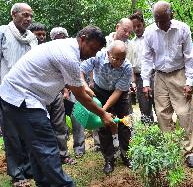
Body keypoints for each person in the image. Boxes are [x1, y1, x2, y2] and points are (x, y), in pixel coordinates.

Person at [0, 25, 116, 186]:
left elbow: (76, 80)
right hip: (22, 98)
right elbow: (80, 95)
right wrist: (103, 114)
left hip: (17, 96)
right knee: (46, 147)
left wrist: (84, 87)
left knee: (37, 148)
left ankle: (44, 183)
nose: (92, 54)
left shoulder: (67, 46)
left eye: (97, 52)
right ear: (82, 38)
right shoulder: (68, 55)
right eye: (92, 48)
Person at [141, 0, 193, 168]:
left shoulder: (183, 29)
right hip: (160, 76)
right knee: (162, 114)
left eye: (163, 20)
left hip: (179, 73)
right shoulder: (150, 32)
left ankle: (191, 152)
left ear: (171, 16)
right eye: (156, 20)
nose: (160, 24)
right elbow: (146, 58)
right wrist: (146, 82)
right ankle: (170, 150)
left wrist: (189, 82)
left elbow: (189, 57)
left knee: (184, 113)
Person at [80, 40, 132, 174]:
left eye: (122, 59)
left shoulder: (127, 67)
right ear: (108, 54)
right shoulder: (97, 56)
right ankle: (109, 159)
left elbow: (118, 92)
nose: (118, 62)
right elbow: (80, 70)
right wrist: (85, 87)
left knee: (124, 124)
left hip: (119, 94)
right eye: (115, 58)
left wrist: (102, 111)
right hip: (100, 90)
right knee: (104, 126)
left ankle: (127, 155)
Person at [0, 2, 37, 186]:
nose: (28, 19)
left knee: (29, 132)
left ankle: (29, 169)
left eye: (30, 16)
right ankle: (17, 174)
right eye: (24, 15)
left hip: (28, 92)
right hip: (7, 93)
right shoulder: (2, 33)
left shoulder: (32, 38)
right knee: (12, 135)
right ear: (13, 14)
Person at [50, 26, 85, 159]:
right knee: (59, 123)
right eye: (57, 38)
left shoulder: (73, 51)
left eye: (62, 38)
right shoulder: (51, 51)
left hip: (74, 89)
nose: (60, 40)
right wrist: (63, 90)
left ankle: (79, 148)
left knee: (78, 118)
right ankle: (62, 152)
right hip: (56, 93)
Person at [128, 11, 154, 123]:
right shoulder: (131, 43)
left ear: (143, 24)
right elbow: (131, 65)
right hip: (139, 78)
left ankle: (164, 133)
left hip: (154, 75)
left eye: (139, 25)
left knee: (159, 105)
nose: (137, 28)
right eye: (134, 27)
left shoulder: (150, 38)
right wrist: (133, 82)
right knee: (144, 108)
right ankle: (148, 133)